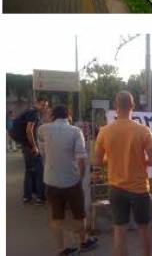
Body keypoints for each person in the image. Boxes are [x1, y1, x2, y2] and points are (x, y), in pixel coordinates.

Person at [94, 91, 152, 256]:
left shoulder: (104, 131)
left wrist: (115, 160)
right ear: (132, 106)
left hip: (116, 188)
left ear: (115, 106)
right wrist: (138, 161)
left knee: (119, 231)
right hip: (139, 189)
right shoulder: (143, 130)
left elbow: (98, 162)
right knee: (144, 228)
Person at [38, 105, 98, 255]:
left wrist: (47, 119)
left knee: (56, 217)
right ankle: (83, 242)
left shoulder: (43, 129)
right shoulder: (75, 132)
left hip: (50, 180)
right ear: (68, 116)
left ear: (53, 116)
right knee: (79, 214)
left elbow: (40, 137)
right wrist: (80, 177)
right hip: (71, 180)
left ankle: (61, 249)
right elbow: (81, 159)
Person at [21, 97, 48, 204]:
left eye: (45, 105)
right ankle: (40, 197)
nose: (44, 107)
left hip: (25, 146)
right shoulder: (33, 113)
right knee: (39, 171)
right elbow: (29, 130)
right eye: (42, 105)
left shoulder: (29, 112)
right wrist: (34, 146)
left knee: (29, 171)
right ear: (36, 104)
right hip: (31, 147)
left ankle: (27, 196)